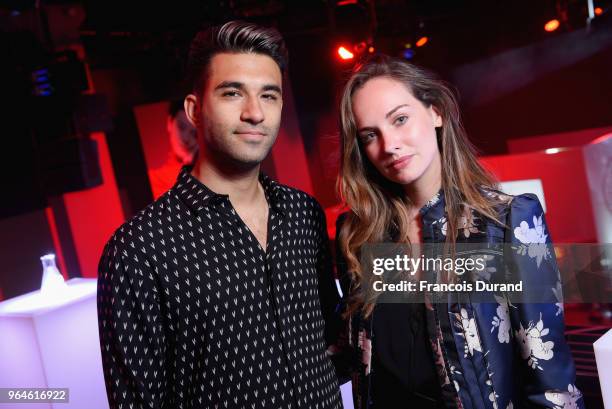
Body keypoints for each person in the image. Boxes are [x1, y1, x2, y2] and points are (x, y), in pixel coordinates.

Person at [97, 21, 342, 409]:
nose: (255, 113)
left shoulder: (303, 214)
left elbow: (332, 349)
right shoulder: (138, 250)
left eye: (269, 95)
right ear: (195, 110)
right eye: (232, 93)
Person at [335, 54, 584, 409]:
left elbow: (551, 383)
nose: (389, 145)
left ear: (435, 112)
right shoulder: (356, 235)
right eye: (370, 135)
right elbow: (351, 359)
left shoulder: (508, 220)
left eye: (401, 119)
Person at [148, 100, 199, 199]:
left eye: (194, 133)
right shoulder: (153, 178)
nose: (186, 138)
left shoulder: (208, 174)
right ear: (170, 122)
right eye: (181, 127)